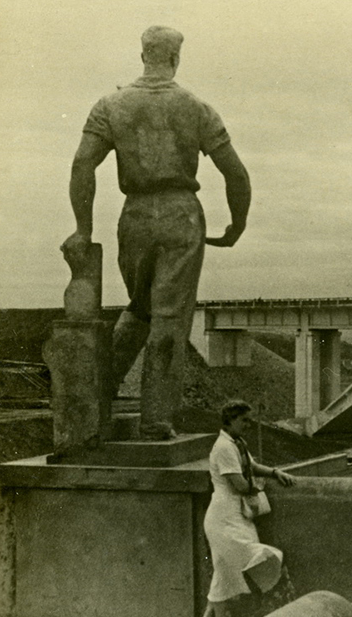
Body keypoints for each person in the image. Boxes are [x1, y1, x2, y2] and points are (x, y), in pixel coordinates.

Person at [63, 26, 251, 440]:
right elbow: (236, 174)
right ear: (175, 58)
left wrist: (83, 228)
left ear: (142, 55)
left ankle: (97, 397)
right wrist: (236, 225)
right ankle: (156, 421)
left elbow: (82, 166)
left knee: (141, 306)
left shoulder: (110, 105)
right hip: (182, 215)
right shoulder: (196, 107)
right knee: (168, 316)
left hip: (135, 217)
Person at [198, 400, 295, 617]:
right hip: (223, 516)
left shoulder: (237, 443)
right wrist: (260, 484)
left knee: (224, 569)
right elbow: (240, 485)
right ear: (230, 420)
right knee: (244, 560)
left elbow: (250, 466)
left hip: (237, 515)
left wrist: (274, 472)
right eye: (245, 420)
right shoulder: (223, 447)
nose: (249, 425)